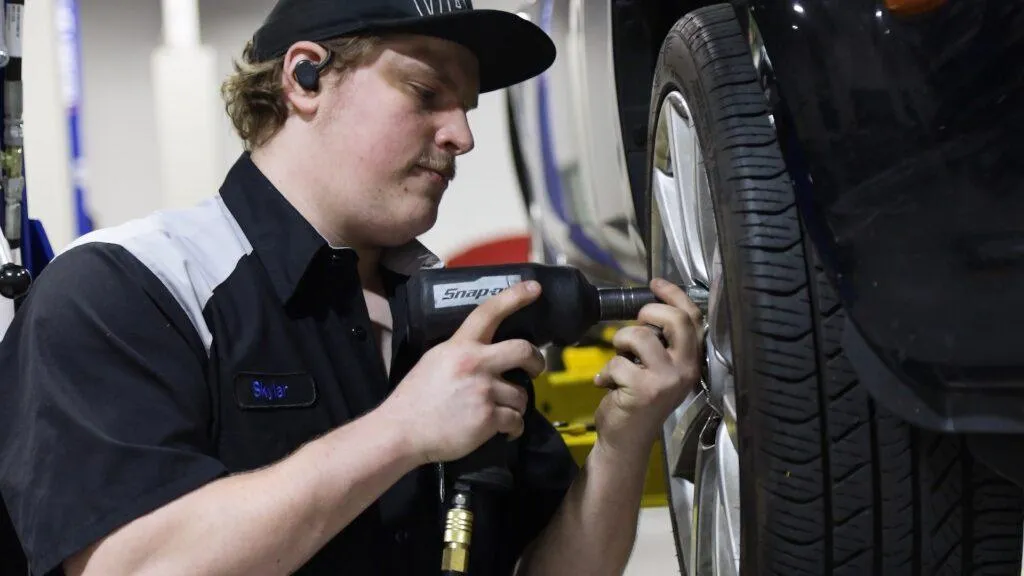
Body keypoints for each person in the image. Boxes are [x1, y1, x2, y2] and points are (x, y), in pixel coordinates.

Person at [0, 0, 705, 574]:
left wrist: (622, 444)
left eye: (466, 108)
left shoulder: (449, 315)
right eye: (426, 93)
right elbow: (133, 566)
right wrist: (400, 433)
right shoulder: (127, 287)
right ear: (305, 78)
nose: (462, 136)